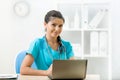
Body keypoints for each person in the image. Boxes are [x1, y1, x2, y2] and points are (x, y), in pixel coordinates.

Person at [20, 10, 74, 76]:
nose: (57, 29)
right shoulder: (37, 43)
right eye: (53, 25)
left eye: (60, 26)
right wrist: (46, 73)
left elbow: (73, 68)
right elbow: (23, 69)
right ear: (45, 24)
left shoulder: (67, 45)